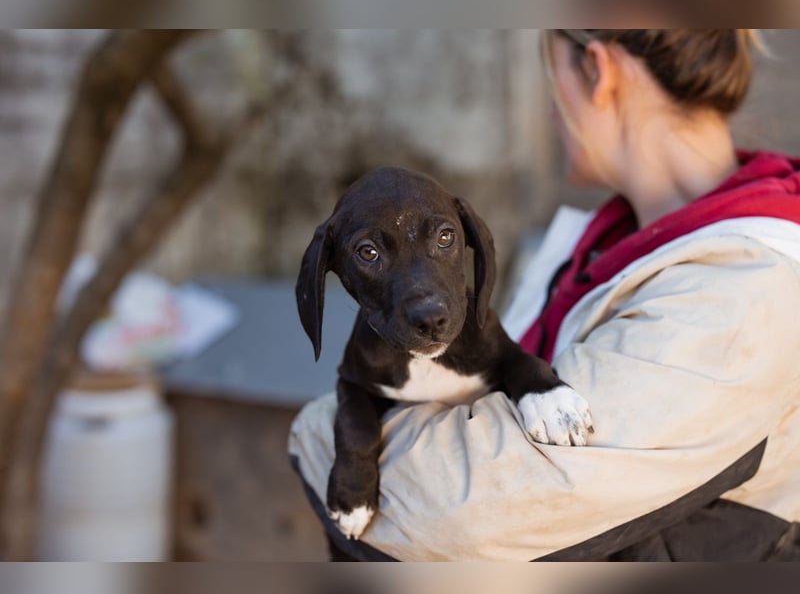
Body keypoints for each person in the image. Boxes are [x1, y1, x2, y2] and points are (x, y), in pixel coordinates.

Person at [288, 29, 800, 561]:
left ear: (597, 71)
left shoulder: (747, 289)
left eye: (551, 81)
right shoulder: (600, 246)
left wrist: (314, 432)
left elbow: (472, 510)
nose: (552, 116)